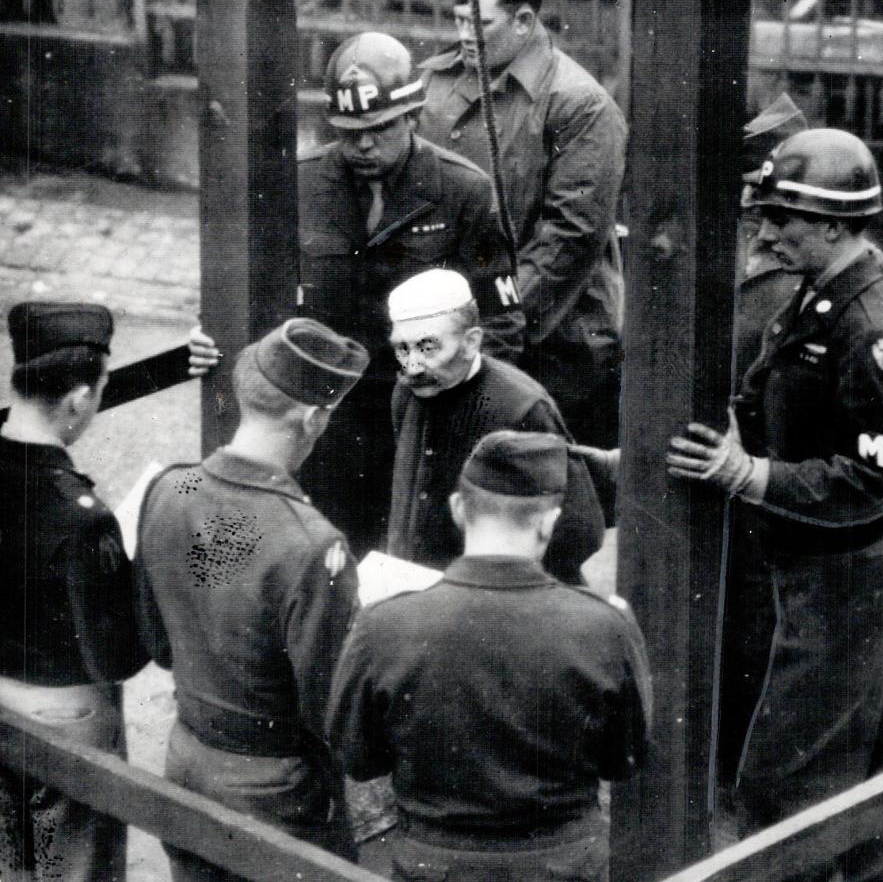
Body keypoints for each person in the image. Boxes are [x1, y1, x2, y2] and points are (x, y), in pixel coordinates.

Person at [666, 128, 883, 881]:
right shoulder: (819, 294)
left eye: (783, 218)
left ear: (835, 226)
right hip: (816, 572)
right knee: (849, 784)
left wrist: (749, 476)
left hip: (848, 581)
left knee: (781, 793)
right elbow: (768, 391)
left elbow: (871, 482)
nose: (766, 231)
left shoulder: (871, 330)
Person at [328, 429, 652, 882]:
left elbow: (359, 759)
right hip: (563, 865)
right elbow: (624, 760)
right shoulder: (605, 625)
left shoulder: (382, 623)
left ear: (459, 510)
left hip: (433, 864)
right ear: (549, 521)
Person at [133, 318, 369, 880]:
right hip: (275, 793)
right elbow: (329, 710)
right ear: (313, 417)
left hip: (187, 760)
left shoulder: (171, 486)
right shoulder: (312, 543)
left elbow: (157, 642)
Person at [300, 30, 525, 555]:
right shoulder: (303, 185)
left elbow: (501, 325)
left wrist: (464, 421)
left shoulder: (464, 191)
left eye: (378, 128)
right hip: (331, 427)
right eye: (349, 129)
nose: (362, 144)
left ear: (412, 117)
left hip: (425, 426)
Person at [418, 0, 627, 448]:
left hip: (553, 340)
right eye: (459, 20)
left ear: (524, 22)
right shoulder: (437, 84)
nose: (464, 35)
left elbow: (568, 240)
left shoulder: (580, 105)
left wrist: (486, 326)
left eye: (479, 23)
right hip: (457, 332)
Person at [0, 301, 146, 882]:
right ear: (79, 400)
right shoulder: (81, 517)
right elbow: (119, 654)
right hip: (66, 715)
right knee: (74, 869)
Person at [385, 268, 605, 584]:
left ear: (472, 342)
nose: (412, 365)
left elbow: (580, 530)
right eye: (402, 348)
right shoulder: (407, 392)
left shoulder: (522, 407)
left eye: (428, 347)